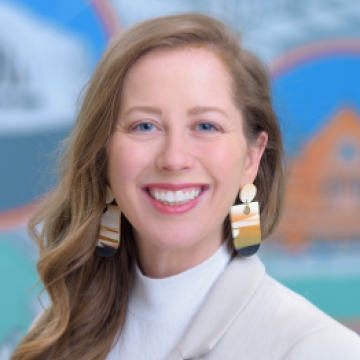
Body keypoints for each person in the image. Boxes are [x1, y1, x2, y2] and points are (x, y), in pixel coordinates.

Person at [11, 13, 360, 360]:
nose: (174, 158)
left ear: (251, 159)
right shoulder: (54, 332)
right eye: (145, 126)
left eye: (206, 126)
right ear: (103, 157)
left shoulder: (315, 348)